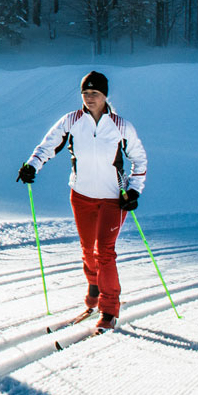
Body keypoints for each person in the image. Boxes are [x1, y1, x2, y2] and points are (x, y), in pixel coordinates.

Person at [17, 70, 149, 332]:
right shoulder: (71, 121)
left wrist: (134, 190)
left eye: (95, 93)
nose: (89, 98)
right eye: (86, 93)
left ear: (104, 96)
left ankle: (109, 310)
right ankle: (94, 295)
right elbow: (47, 146)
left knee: (105, 253)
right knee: (88, 251)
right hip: (81, 197)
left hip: (114, 199)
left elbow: (140, 159)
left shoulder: (121, 126)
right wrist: (32, 165)